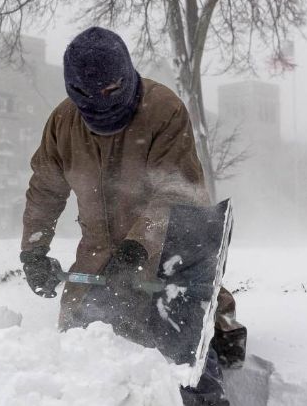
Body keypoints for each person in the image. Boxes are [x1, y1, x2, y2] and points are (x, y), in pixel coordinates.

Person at [18, 27, 245, 405]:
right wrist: (33, 251)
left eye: (110, 91)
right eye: (90, 96)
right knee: (80, 344)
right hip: (97, 258)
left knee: (182, 347)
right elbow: (45, 188)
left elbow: (177, 192)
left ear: (126, 74)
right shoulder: (62, 124)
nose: (102, 103)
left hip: (166, 253)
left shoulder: (163, 111)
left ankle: (213, 346)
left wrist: (139, 246)